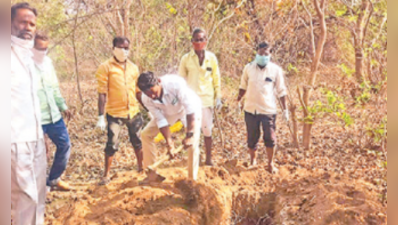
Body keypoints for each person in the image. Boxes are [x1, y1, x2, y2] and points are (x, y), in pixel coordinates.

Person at [11, 2, 46, 224]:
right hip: (14, 139)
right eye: (23, 21)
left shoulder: (31, 56)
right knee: (26, 198)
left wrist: (41, 136)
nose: (28, 27)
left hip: (35, 139)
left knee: (38, 197)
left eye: (32, 23)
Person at [95, 36, 144, 185]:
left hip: (133, 111)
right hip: (114, 113)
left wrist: (148, 108)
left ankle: (141, 168)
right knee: (112, 143)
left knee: (137, 141)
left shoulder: (133, 68)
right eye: (120, 47)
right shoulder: (105, 67)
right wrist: (100, 116)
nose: (124, 51)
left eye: (126, 48)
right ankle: (106, 174)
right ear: (114, 48)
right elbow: (102, 92)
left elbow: (137, 91)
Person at [138, 72, 202, 182]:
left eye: (153, 92)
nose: (152, 96)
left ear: (158, 82)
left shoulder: (175, 84)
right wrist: (169, 142)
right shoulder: (146, 98)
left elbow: (190, 110)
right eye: (148, 94)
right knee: (146, 134)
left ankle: (192, 180)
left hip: (188, 110)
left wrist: (189, 135)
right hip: (167, 113)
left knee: (192, 143)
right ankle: (152, 175)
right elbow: (161, 120)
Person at [237, 42, 289, 174]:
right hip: (251, 108)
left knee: (270, 138)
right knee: (252, 137)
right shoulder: (248, 68)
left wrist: (285, 110)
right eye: (260, 53)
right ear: (256, 53)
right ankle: (252, 161)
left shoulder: (275, 70)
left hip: (268, 110)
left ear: (270, 54)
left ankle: (270, 163)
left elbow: (281, 91)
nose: (263, 56)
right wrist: (238, 101)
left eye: (266, 54)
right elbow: (243, 86)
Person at [32, 33, 73, 191]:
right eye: (39, 49)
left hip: (53, 116)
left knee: (65, 145)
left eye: (46, 49)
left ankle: (54, 179)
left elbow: (54, 87)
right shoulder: (24, 65)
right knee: (40, 154)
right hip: (35, 118)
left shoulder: (48, 63)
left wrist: (63, 106)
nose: (43, 52)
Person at [179, 28, 222, 166]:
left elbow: (216, 78)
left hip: (207, 100)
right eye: (196, 40)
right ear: (192, 42)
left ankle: (208, 158)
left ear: (206, 41)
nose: (199, 42)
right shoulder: (186, 59)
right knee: (192, 131)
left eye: (201, 39)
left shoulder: (212, 58)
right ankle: (194, 161)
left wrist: (218, 97)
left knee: (207, 130)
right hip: (191, 101)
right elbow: (181, 79)